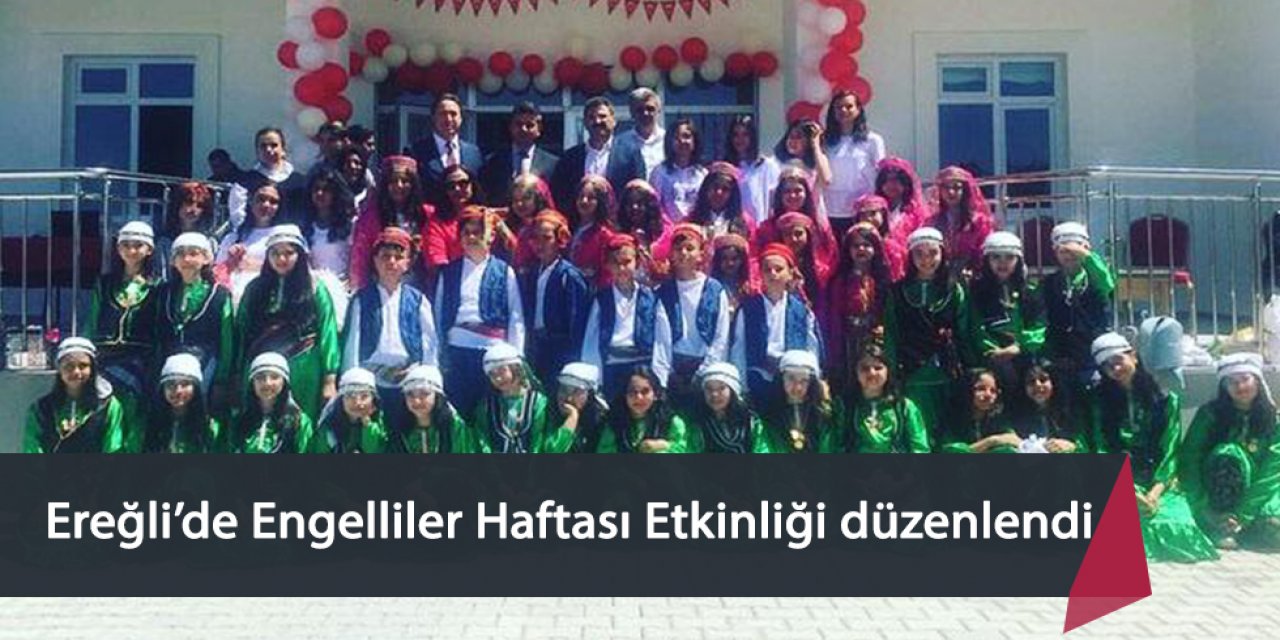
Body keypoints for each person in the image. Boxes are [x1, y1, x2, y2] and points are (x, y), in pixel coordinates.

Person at [1089, 332, 1218, 562]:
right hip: (1117, 479)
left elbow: (1170, 451)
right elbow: (1101, 447)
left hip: (1158, 481)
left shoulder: (1166, 399)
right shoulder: (1098, 401)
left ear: (1133, 356)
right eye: (1107, 366)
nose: (1115, 369)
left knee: (1179, 529)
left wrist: (1154, 493)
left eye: (1118, 360)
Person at [235, 224, 341, 422]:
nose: (281, 259)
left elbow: (328, 332)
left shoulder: (316, 288)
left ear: (300, 255)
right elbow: (242, 332)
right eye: (275, 253)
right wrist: (238, 372)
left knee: (300, 423)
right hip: (261, 368)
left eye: (289, 253)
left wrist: (330, 377)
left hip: (303, 368)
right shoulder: (254, 289)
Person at [883, 227, 974, 442]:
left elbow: (963, 329)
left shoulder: (954, 289)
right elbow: (891, 332)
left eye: (933, 253)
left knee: (947, 428)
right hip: (911, 371)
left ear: (943, 254)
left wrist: (969, 364)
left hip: (946, 370)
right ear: (910, 257)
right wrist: (892, 370)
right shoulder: (897, 292)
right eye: (919, 254)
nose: (926, 260)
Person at [1181, 353, 1280, 550]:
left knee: (1273, 525)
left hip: (1261, 489)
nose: (1240, 386)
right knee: (1227, 454)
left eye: (1245, 379)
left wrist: (1244, 514)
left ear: (1257, 381)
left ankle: (1244, 525)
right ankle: (1222, 526)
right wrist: (1203, 506)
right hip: (1215, 490)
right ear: (1224, 387)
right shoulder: (1210, 414)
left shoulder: (1273, 418)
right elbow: (1189, 458)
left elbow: (1274, 469)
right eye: (1231, 382)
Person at [342, 227, 439, 428]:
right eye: (385, 256)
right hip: (371, 380)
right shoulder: (362, 299)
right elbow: (353, 343)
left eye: (398, 257)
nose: (391, 262)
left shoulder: (418, 300)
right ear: (375, 260)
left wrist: (428, 379)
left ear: (408, 262)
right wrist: (353, 383)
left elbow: (430, 345)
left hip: (409, 382)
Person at [434, 207, 526, 417]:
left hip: (493, 351)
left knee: (491, 410)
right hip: (458, 350)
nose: (471, 238)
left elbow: (516, 316)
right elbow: (439, 315)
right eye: (466, 233)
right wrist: (441, 352)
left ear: (491, 236)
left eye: (477, 232)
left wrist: (516, 356)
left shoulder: (504, 271)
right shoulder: (449, 272)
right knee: (460, 410)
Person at [84, 220, 161, 450]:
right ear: (118, 249)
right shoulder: (105, 283)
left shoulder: (157, 286)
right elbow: (93, 320)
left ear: (149, 250)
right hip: (105, 356)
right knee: (104, 409)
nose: (131, 250)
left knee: (133, 410)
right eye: (125, 245)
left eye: (138, 245)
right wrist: (87, 353)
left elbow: (159, 326)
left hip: (139, 359)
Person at [582, 234, 673, 400]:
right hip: (612, 369)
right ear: (607, 265)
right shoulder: (602, 299)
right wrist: (594, 380)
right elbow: (591, 341)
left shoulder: (651, 298)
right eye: (615, 263)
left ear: (637, 262)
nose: (621, 268)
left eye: (626, 262)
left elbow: (662, 340)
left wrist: (660, 377)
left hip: (643, 368)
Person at [729, 244, 821, 401]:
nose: (773, 274)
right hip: (758, 377)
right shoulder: (749, 308)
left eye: (779, 269)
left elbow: (812, 347)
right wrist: (741, 387)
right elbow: (739, 347)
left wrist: (814, 380)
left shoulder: (801, 310)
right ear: (761, 274)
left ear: (790, 273)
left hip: (793, 379)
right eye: (767, 270)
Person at [153, 232, 234, 406]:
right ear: (173, 261)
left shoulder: (219, 295)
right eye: (180, 254)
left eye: (193, 253)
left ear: (206, 259)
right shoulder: (163, 292)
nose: (186, 259)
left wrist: (222, 377)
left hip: (205, 361)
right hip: (170, 359)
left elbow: (227, 339)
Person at [656, 224, 732, 409]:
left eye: (690, 248)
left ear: (700, 254)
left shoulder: (715, 290)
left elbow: (721, 336)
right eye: (678, 249)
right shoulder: (663, 291)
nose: (683, 253)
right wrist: (667, 374)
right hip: (673, 368)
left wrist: (704, 372)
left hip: (704, 366)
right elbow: (660, 339)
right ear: (671, 254)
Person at [1043, 221, 1116, 391]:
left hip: (1092, 354)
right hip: (1062, 353)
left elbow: (1106, 283)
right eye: (1064, 251)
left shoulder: (1097, 280)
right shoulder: (1049, 283)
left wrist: (1086, 255)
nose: (1070, 255)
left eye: (1075, 251)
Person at [520, 211, 591, 386]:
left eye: (546, 238)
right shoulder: (531, 273)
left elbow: (577, 323)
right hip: (536, 346)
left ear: (560, 240)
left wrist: (574, 356)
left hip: (560, 348)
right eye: (535, 238)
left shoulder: (569, 275)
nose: (540, 244)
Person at [967, 232, 1045, 388]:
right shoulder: (976, 292)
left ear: (1018, 260)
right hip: (989, 360)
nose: (1002, 262)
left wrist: (1019, 347)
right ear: (987, 260)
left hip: (1026, 357)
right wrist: (992, 350)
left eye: (1009, 257)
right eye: (996, 257)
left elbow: (1040, 324)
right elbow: (974, 325)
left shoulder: (1030, 291)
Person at [23, 338, 126, 454]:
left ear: (92, 369)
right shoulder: (40, 409)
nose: (76, 372)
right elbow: (32, 448)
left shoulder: (109, 406)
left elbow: (113, 448)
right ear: (59, 369)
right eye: (69, 366)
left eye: (83, 366)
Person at [349, 155, 433, 291]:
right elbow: (360, 258)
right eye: (393, 181)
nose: (399, 186)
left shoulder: (427, 214)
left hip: (421, 286)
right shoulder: (370, 217)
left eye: (405, 181)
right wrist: (359, 289)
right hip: (381, 287)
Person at [472, 343, 575, 454]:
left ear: (516, 369)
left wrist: (572, 418)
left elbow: (549, 447)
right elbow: (482, 443)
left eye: (502, 370)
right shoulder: (486, 407)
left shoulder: (539, 403)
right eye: (492, 374)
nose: (498, 378)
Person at [823, 223, 891, 389]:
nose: (861, 249)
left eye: (866, 245)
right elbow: (835, 314)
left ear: (875, 248)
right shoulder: (840, 281)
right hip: (848, 339)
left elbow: (889, 310)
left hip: (877, 339)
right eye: (856, 245)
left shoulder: (884, 279)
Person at [551, 96, 646, 210]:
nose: (597, 121)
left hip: (618, 219)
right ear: (585, 123)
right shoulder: (570, 158)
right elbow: (560, 194)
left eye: (602, 116)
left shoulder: (631, 155)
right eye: (591, 117)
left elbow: (638, 193)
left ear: (614, 121)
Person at [841, 342, 930, 454]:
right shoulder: (845, 408)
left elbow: (920, 448)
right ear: (856, 372)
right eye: (865, 368)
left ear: (888, 371)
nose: (872, 373)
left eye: (878, 368)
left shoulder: (904, 407)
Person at [821, 91, 886, 238]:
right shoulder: (824, 141)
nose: (843, 110)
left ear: (858, 110)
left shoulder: (872, 140)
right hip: (830, 210)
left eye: (849, 106)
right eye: (839, 107)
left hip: (862, 212)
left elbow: (881, 174)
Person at [302, 168, 358, 329]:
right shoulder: (305, 227)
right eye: (316, 189)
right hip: (315, 292)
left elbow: (355, 258)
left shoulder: (351, 225)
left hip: (345, 290)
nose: (320, 193)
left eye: (326, 189)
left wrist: (348, 283)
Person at [755, 350, 841, 453]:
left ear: (812, 383)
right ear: (781, 378)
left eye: (804, 380)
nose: (797, 387)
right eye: (791, 378)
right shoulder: (768, 415)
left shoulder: (823, 414)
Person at [231, 352, 315, 454]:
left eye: (274, 377)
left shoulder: (298, 422)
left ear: (284, 382)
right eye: (260, 377)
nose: (267, 383)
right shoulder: (239, 420)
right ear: (252, 383)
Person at [215, 182, 285, 305]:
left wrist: (252, 265)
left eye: (273, 201)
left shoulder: (286, 236)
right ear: (250, 200)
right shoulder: (233, 238)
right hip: (233, 301)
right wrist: (231, 262)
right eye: (261, 199)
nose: (266, 205)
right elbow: (217, 272)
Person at [479, 102, 560, 207]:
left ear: (539, 129)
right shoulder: (492, 162)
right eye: (518, 124)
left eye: (529, 125)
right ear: (510, 127)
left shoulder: (553, 164)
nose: (523, 129)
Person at [410, 93, 484, 205]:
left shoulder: (474, 153)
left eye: (453, 114)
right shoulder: (416, 152)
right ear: (433, 118)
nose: (448, 119)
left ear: (461, 118)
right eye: (442, 114)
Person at [597, 366, 688, 453]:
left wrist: (663, 446)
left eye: (645, 391)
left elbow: (682, 449)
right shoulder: (614, 424)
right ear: (625, 395)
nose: (639, 397)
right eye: (632, 391)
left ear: (656, 395)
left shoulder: (671, 421)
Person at [143, 353, 222, 453]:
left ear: (196, 389)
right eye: (171, 384)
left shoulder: (211, 428)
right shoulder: (145, 425)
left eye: (185, 384)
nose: (178, 391)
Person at [392, 364, 475, 454]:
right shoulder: (399, 428)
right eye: (410, 394)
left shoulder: (453, 426)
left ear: (437, 396)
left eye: (424, 393)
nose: (416, 401)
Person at [927, 165, 994, 277]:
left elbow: (986, 251)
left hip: (972, 275)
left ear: (965, 190)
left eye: (956, 187)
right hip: (939, 275)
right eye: (946, 187)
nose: (951, 192)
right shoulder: (931, 221)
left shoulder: (979, 221)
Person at [232, 127, 307, 226]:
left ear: (283, 149)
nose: (268, 149)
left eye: (274, 145)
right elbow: (238, 218)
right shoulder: (244, 182)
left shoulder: (300, 181)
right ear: (257, 151)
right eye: (263, 146)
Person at [683, 362, 763, 454]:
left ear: (733, 390)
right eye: (709, 388)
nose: (714, 394)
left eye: (721, 388)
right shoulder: (693, 423)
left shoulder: (751, 421)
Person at [1010, 359, 1083, 453]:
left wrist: (1071, 445)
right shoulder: (1019, 416)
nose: (1037, 385)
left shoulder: (1071, 411)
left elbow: (1083, 443)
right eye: (1031, 381)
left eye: (1043, 380)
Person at [941, 368, 1020, 453]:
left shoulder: (998, 419)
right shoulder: (952, 420)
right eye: (981, 389)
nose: (988, 395)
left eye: (993, 391)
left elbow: (1016, 441)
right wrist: (991, 441)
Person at [314, 367, 390, 454]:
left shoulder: (379, 425)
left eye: (364, 396)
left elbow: (374, 450)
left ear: (373, 401)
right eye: (350, 396)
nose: (357, 402)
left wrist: (367, 424)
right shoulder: (329, 429)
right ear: (341, 401)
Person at [724, 114, 781, 225]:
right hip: (733, 228)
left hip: (761, 228)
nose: (740, 139)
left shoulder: (767, 166)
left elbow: (775, 201)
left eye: (745, 134)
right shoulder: (726, 168)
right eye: (736, 135)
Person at [648, 118, 708, 223]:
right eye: (676, 137)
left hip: (696, 229)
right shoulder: (659, 172)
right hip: (668, 228)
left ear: (695, 141)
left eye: (686, 136)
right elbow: (655, 206)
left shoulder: (703, 174)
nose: (682, 141)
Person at [682, 162, 756, 245]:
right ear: (706, 189)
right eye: (715, 187)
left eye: (725, 189)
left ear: (733, 194)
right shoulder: (690, 220)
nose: (719, 192)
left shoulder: (745, 222)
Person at [567, 175, 620, 286]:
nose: (584, 201)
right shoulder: (570, 228)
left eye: (591, 198)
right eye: (581, 196)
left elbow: (607, 275)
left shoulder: (605, 236)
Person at [157, 181, 218, 276]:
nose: (193, 209)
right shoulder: (165, 242)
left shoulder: (210, 242)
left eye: (200, 206)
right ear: (178, 204)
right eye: (189, 202)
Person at [774, 212, 833, 309]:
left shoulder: (820, 267)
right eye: (787, 234)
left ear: (807, 235)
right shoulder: (776, 265)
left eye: (798, 234)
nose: (793, 239)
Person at [874, 156, 929, 259]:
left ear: (906, 184)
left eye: (897, 180)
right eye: (887, 180)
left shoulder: (916, 213)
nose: (892, 185)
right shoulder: (874, 210)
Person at [552, 362, 610, 453]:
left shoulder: (603, 422)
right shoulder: (548, 414)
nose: (569, 398)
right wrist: (571, 422)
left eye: (576, 392)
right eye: (564, 390)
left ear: (589, 395)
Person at [853, 194, 908, 282]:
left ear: (883, 214)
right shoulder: (852, 242)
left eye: (873, 213)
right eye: (863, 215)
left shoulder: (892, 245)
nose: (868, 218)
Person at [773, 119, 832, 196]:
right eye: (791, 136)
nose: (793, 141)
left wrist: (815, 144)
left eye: (798, 137)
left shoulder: (818, 160)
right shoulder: (777, 162)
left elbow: (826, 181)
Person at [617, 88, 667, 179]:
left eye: (650, 109)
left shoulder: (668, 140)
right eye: (639, 110)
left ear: (659, 111)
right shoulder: (620, 143)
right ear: (632, 113)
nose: (645, 113)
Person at [710, 233, 758, 313]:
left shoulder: (749, 288)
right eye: (724, 258)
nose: (730, 263)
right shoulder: (712, 287)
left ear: (742, 260)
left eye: (734, 259)